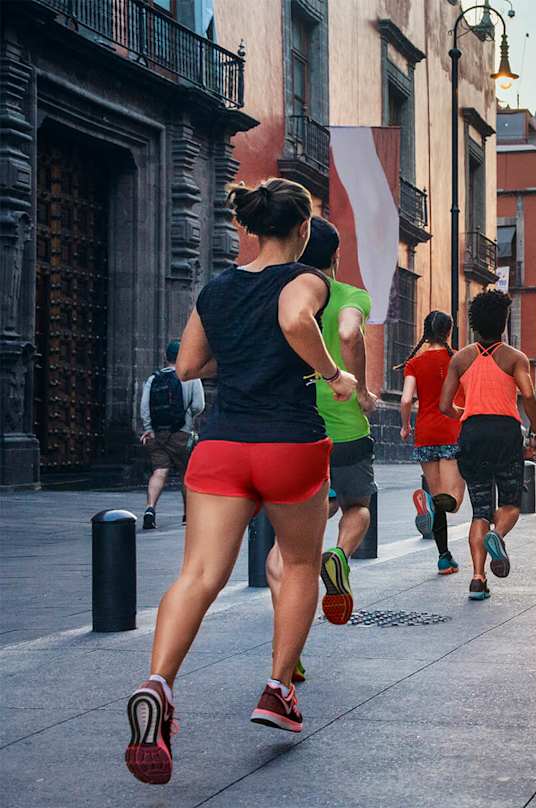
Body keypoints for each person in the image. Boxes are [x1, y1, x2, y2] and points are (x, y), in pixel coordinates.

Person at [123, 178, 356, 785]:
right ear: (303, 230)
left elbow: (188, 366)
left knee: (198, 576)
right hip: (288, 445)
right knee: (301, 565)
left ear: (251, 228)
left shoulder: (217, 287)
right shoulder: (309, 279)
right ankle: (278, 689)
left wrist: (246, 354)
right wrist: (332, 374)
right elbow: (292, 317)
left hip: (221, 447)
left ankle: (158, 686)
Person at [265, 217, 376, 632]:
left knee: (285, 545)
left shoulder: (281, 295)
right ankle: (340, 557)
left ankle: (286, 645)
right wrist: (361, 390)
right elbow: (349, 334)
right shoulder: (349, 294)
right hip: (345, 426)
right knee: (358, 505)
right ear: (336, 256)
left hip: (291, 425)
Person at [439, 290, 536, 601]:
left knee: (480, 510)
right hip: (505, 434)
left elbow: (444, 405)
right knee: (511, 503)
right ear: (503, 322)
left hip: (472, 433)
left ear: (473, 324)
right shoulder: (514, 357)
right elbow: (527, 395)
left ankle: (477, 578)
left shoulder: (460, 358)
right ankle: (497, 536)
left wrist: (466, 413)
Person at [400, 310, 466, 576]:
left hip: (425, 433)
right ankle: (431, 505)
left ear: (426, 332)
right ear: (449, 332)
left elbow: (406, 400)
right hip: (452, 430)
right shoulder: (459, 359)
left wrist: (406, 427)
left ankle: (444, 557)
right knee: (453, 500)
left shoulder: (414, 363)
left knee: (438, 497)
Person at [139, 339, 204, 529]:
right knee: (186, 474)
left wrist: (149, 429)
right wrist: (187, 417)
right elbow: (199, 405)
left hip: (158, 434)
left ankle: (150, 508)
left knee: (159, 471)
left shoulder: (153, 379)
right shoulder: (191, 377)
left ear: (166, 357)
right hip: (181, 433)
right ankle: (187, 515)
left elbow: (145, 407)